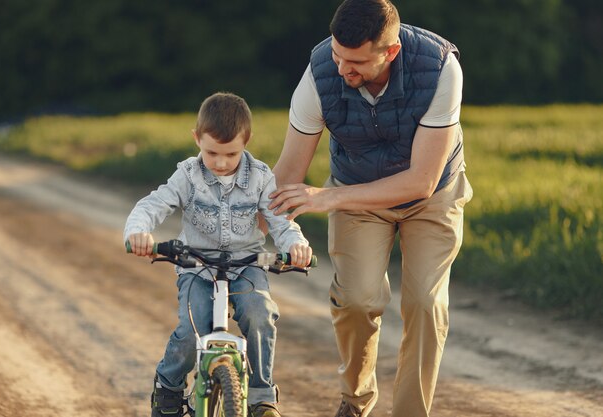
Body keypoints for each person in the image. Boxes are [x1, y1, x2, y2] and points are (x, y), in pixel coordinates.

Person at [268, 1, 473, 416]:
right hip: (356, 190)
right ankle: (355, 401)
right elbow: (287, 175)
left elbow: (421, 181)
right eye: (339, 55)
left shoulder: (439, 69)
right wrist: (237, 231)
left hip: (430, 198)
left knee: (425, 303)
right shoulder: (320, 73)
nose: (343, 69)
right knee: (357, 299)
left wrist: (328, 198)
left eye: (357, 61)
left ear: (390, 52)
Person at [125, 92, 312, 417]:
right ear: (197, 138)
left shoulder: (261, 177)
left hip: (246, 266)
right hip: (195, 266)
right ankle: (168, 387)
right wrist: (139, 232)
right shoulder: (187, 176)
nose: (222, 162)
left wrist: (295, 245)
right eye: (212, 152)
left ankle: (261, 398)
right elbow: (153, 204)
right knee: (191, 329)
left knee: (260, 314)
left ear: (246, 140)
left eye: (231, 153)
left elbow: (280, 220)